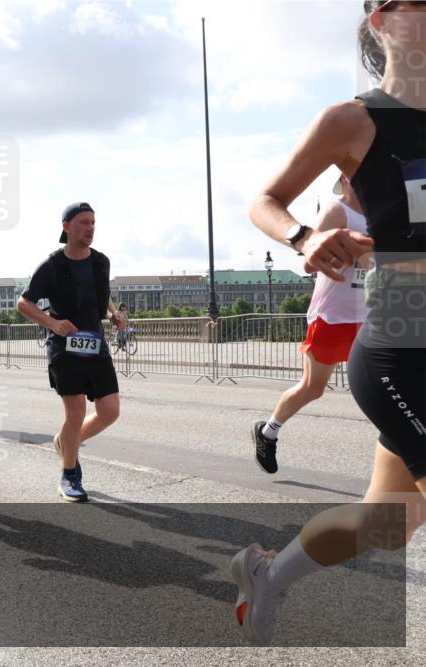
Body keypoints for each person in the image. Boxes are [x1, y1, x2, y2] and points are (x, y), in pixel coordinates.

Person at [233, 1, 426, 646]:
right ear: (381, 20)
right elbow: (266, 201)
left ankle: (269, 571)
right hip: (404, 332)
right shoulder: (355, 120)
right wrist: (302, 238)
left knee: (389, 522)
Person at [251, 174, 369, 474]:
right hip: (332, 315)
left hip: (370, 315)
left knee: (387, 385)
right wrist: (348, 249)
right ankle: (268, 431)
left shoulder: (381, 212)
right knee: (312, 388)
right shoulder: (336, 211)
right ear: (346, 176)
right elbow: (307, 263)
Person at [17, 202, 125, 502]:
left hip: (96, 346)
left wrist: (114, 314)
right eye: (83, 223)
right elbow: (23, 303)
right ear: (66, 227)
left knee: (110, 412)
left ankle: (66, 442)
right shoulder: (52, 265)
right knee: (75, 411)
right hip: (64, 349)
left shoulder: (101, 262)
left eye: (93, 222)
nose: (90, 228)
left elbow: (100, 296)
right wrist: (52, 322)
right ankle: (70, 474)